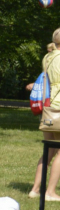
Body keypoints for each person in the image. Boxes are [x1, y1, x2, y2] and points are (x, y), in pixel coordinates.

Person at [30, 30, 60, 200]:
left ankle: (35, 190)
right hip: (59, 106)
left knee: (49, 149)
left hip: (48, 107)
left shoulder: (48, 57)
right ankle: (50, 192)